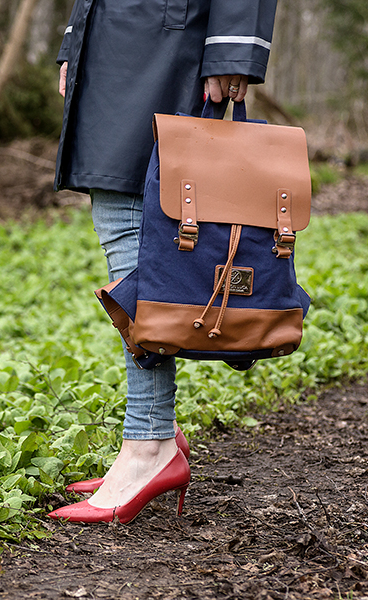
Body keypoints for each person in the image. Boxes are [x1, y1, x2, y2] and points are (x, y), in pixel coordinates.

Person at [48, 0, 278, 523]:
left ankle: (149, 442)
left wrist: (233, 48)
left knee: (135, 214)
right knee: (117, 203)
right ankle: (155, 429)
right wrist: (76, 35)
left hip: (172, 34)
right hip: (114, 31)